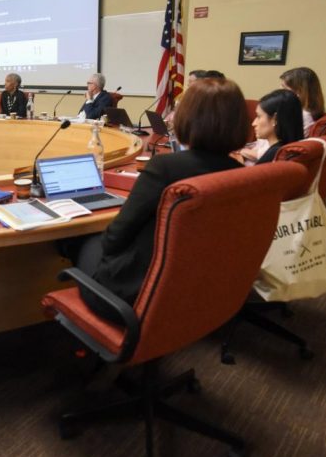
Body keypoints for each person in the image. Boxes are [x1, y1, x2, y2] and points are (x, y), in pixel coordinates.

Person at [73, 78, 248, 312]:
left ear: (188, 118)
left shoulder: (165, 168)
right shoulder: (239, 173)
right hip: (194, 288)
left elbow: (115, 238)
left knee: (80, 241)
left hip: (134, 295)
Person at [240, 89, 304, 165]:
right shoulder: (290, 150)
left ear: (275, 119)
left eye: (259, 116)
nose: (253, 123)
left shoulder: (272, 156)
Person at [280, 67, 325, 134]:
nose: (279, 91)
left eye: (284, 87)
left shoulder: (301, 116)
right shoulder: (296, 112)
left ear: (299, 91)